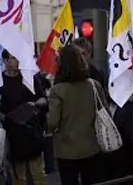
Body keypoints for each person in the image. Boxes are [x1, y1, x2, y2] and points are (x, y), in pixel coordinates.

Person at [48, 44, 106, 185]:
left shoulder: (57, 90)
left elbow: (52, 122)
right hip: (92, 146)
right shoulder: (94, 85)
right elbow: (105, 112)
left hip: (66, 150)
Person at [0, 50, 47, 185]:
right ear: (5, 61)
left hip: (32, 132)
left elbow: (44, 100)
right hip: (13, 134)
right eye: (13, 58)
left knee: (38, 173)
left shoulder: (30, 78)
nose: (17, 61)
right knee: (19, 176)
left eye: (17, 58)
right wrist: (2, 116)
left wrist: (34, 104)